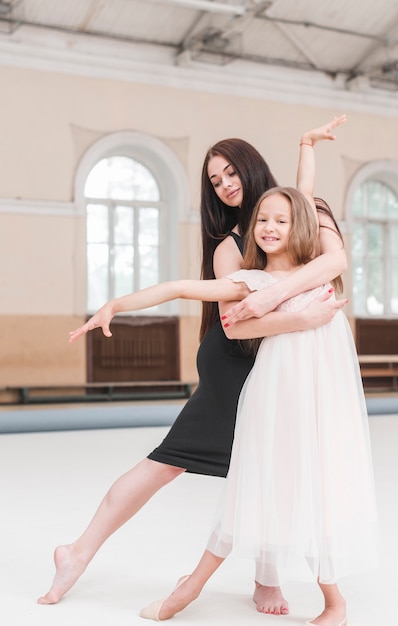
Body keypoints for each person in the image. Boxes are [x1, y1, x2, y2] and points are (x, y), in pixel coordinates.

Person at [38, 116, 348, 614]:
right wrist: (117, 303)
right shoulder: (233, 245)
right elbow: (232, 317)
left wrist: (307, 145)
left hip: (280, 352)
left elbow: (328, 258)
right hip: (238, 355)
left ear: (252, 169)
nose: (225, 185)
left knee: (272, 465)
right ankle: (76, 552)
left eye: (231, 173)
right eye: (215, 180)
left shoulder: (302, 213)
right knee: (173, 460)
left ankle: (267, 578)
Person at [90, 187, 375, 626]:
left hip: (321, 398)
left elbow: (308, 198)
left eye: (281, 220)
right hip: (275, 394)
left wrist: (307, 149)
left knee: (315, 487)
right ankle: (190, 587)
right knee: (253, 486)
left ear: (299, 224)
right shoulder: (252, 282)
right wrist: (116, 304)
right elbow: (179, 288)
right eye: (262, 220)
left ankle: (334, 603)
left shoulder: (317, 271)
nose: (270, 228)